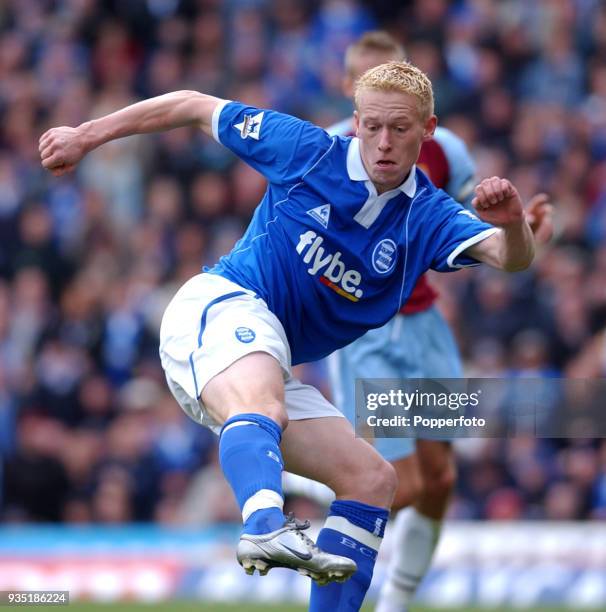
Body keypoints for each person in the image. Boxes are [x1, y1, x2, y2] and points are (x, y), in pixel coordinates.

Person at [40, 60, 536, 612]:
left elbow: (509, 258)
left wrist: (514, 224)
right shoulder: (309, 151)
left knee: (371, 478)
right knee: (265, 404)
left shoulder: (428, 217)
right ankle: (263, 522)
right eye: (371, 126)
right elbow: (193, 104)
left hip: (266, 361)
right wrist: (85, 135)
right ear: (355, 121)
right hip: (220, 307)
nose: (383, 142)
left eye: (400, 128)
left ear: (428, 129)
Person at [322, 32, 554, 612]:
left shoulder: (444, 147)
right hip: (366, 332)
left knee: (441, 480)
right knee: (406, 481)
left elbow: (472, 220)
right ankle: (317, 494)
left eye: (391, 78)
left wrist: (518, 229)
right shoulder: (328, 151)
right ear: (351, 94)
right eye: (365, 84)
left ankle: (397, 601)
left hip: (425, 326)